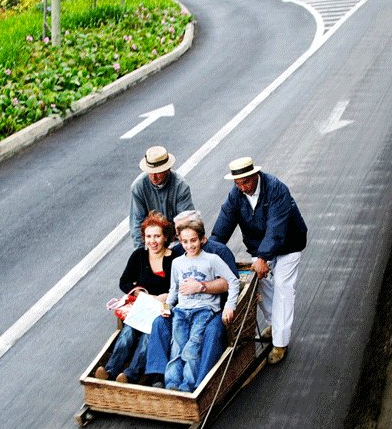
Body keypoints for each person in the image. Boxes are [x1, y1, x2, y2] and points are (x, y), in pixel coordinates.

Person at [210, 157, 307, 365]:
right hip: (259, 245)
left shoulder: (276, 189)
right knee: (260, 284)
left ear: (255, 176)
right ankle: (275, 322)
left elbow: (276, 228)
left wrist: (263, 257)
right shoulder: (236, 195)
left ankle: (280, 342)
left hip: (288, 243)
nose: (242, 188)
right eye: (237, 184)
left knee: (283, 287)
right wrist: (209, 254)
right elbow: (223, 226)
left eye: (245, 182)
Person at [145, 210, 238, 389]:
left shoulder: (216, 255)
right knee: (172, 339)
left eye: (192, 239)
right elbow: (173, 288)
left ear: (202, 238)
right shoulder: (178, 258)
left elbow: (231, 282)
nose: (188, 243)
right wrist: (167, 304)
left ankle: (195, 384)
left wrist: (223, 301)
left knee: (196, 344)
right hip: (182, 310)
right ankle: (165, 379)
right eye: (182, 237)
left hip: (208, 309)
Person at [95, 211, 176, 383]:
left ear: (165, 237)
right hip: (143, 306)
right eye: (149, 236)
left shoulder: (174, 259)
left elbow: (179, 287)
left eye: (157, 236)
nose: (152, 241)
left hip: (163, 309)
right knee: (127, 333)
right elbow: (124, 282)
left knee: (148, 337)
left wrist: (167, 296)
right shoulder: (138, 256)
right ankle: (110, 370)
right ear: (144, 238)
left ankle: (130, 375)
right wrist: (137, 292)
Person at [129, 145, 194, 248]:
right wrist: (140, 253)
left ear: (168, 169)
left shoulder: (181, 186)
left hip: (175, 240)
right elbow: (137, 224)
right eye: (151, 172)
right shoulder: (138, 187)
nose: (154, 176)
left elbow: (185, 222)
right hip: (152, 240)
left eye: (158, 172)